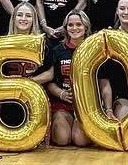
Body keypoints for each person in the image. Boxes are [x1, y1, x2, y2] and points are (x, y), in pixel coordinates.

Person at [39, 11, 93, 147]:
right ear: (66, 28)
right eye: (70, 25)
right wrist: (61, 94)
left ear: (86, 26)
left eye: (79, 24)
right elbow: (50, 82)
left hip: (87, 105)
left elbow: (103, 81)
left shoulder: (94, 49)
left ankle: (80, 122)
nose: (75, 28)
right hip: (62, 103)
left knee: (81, 140)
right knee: (62, 139)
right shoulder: (57, 50)